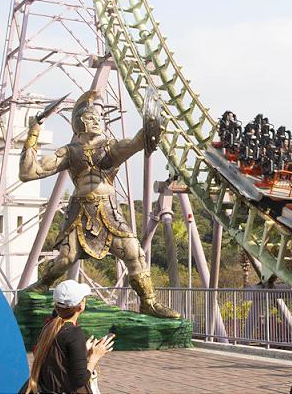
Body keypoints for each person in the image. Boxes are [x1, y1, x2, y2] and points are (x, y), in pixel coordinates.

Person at [19, 91, 177, 318]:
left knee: (134, 252)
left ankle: (148, 302)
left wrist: (151, 128)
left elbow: (134, 144)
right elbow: (28, 172)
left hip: (108, 211)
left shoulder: (109, 147)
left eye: (99, 118)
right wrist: (34, 131)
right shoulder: (70, 152)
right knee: (65, 259)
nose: (98, 122)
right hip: (80, 211)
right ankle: (42, 284)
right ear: (80, 123)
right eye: (92, 118)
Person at [25, 280, 114, 393]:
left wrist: (81, 352)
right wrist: (94, 357)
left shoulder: (49, 327)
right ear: (81, 306)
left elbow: (57, 360)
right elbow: (80, 380)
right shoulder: (74, 333)